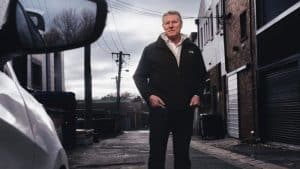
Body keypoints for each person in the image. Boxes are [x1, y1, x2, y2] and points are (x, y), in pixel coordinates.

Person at [133, 10, 207, 169]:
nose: (171, 25)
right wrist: (149, 96)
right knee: (157, 155)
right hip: (160, 110)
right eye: (167, 23)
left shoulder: (192, 49)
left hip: (184, 110)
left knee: (182, 155)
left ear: (181, 24)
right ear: (163, 26)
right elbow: (138, 76)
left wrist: (197, 94)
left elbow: (202, 76)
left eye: (175, 22)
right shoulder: (151, 50)